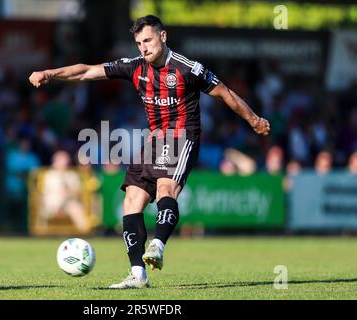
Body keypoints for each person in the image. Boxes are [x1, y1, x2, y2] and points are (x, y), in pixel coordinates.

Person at [29, 15, 270, 289]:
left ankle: (157, 244)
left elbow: (224, 92)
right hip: (152, 141)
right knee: (131, 201)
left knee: (167, 189)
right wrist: (49, 73)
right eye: (138, 43)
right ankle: (137, 274)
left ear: (163, 36)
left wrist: (253, 120)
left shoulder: (189, 69)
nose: (143, 47)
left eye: (148, 40)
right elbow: (87, 71)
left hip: (181, 136)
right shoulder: (134, 67)